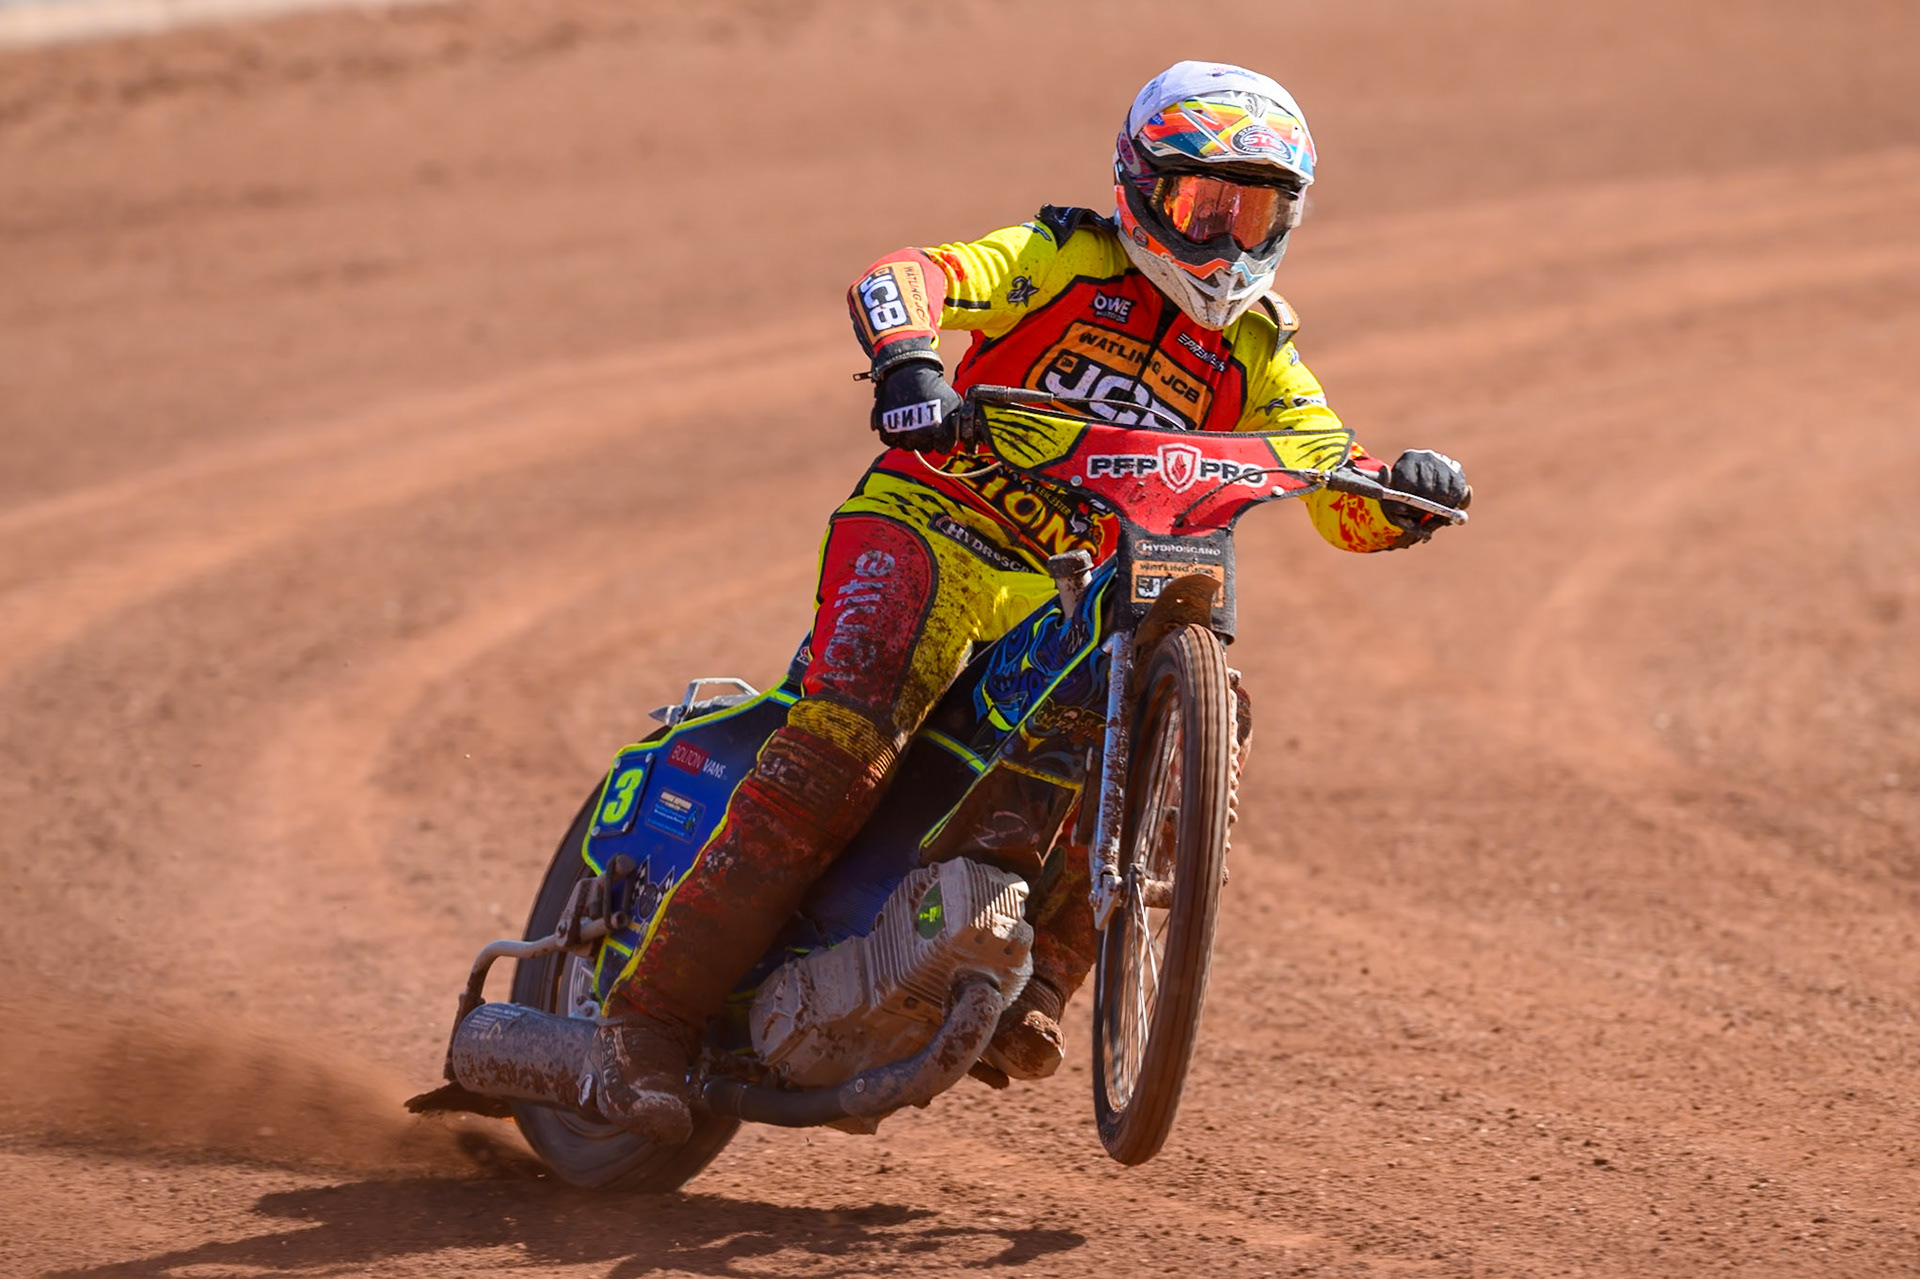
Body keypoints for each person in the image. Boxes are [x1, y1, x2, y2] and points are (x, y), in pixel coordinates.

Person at [591, 60, 1471, 1144]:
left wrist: (1406, 498)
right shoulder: (1063, 258)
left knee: (1188, 712)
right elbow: (906, 273)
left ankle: (1041, 984)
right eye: (1205, 207)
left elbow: (1333, 480)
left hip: (1059, 588)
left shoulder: (1256, 348)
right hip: (928, 526)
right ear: (1142, 189)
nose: (1227, 243)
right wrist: (911, 362)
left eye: (1256, 213)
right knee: (845, 744)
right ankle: (644, 1023)